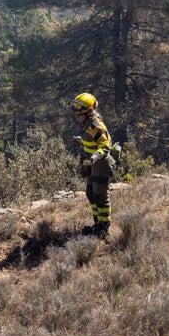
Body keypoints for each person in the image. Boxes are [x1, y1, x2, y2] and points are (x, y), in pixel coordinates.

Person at [71, 92, 115, 237]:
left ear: (88, 112)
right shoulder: (88, 124)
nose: (77, 117)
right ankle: (97, 223)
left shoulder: (96, 126)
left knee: (100, 195)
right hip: (91, 163)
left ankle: (103, 227)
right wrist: (81, 140)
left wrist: (96, 156)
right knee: (91, 193)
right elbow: (91, 140)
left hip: (100, 164)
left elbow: (105, 145)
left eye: (79, 114)